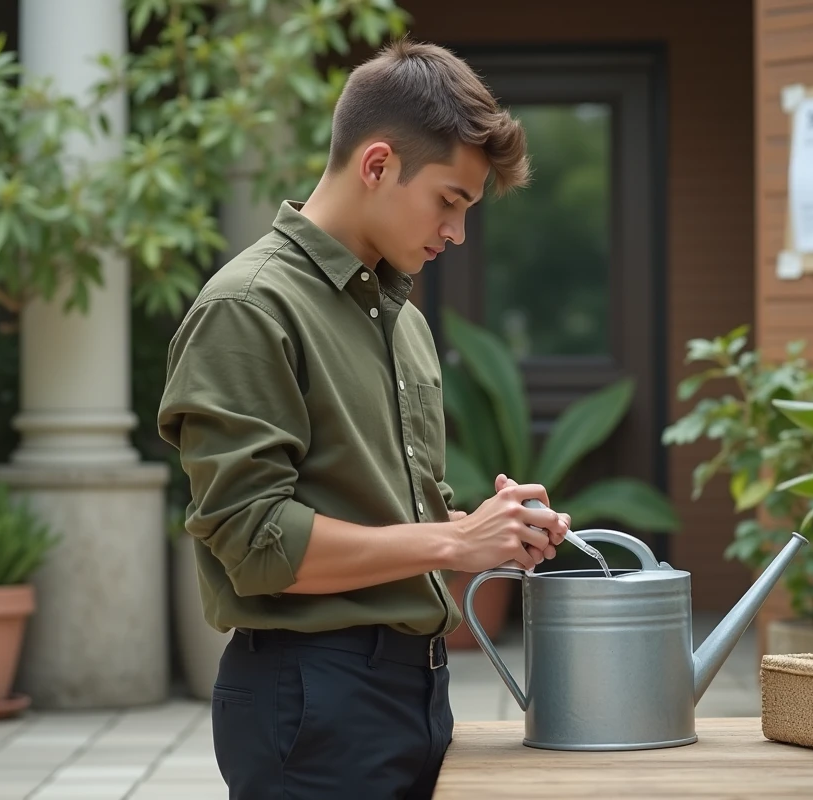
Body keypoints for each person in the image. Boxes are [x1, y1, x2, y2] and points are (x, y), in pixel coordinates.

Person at [157, 37, 571, 799]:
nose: (457, 232)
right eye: (450, 201)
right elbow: (255, 541)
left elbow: (380, 507)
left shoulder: (401, 318)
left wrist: (487, 531)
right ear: (377, 164)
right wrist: (453, 538)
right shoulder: (250, 308)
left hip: (414, 692)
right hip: (311, 700)